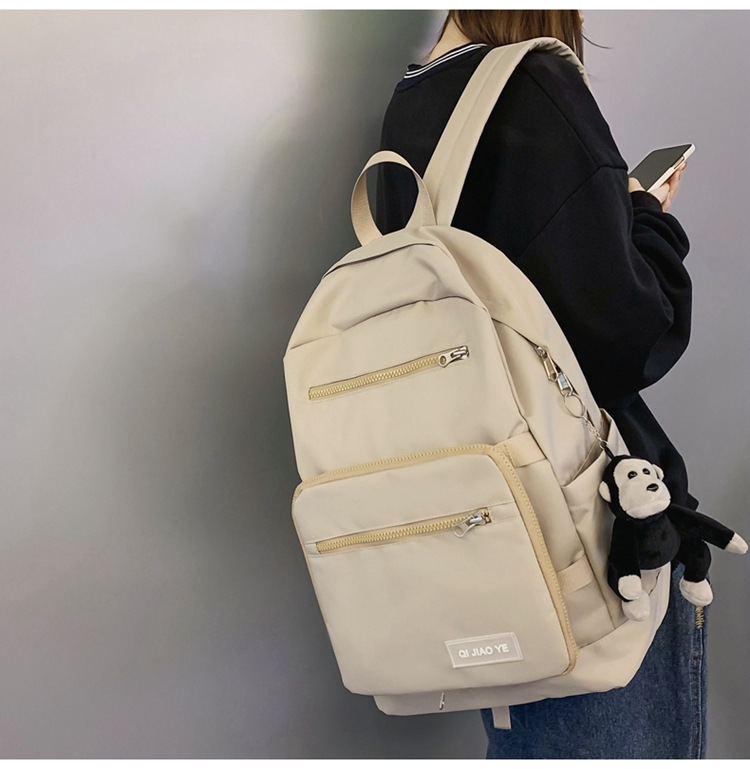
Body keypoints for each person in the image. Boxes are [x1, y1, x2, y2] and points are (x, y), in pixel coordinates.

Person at [375, 10, 703, 760]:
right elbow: (629, 336)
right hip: (594, 540)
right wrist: (647, 216)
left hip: (482, 531)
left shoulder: (412, 101)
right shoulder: (537, 84)